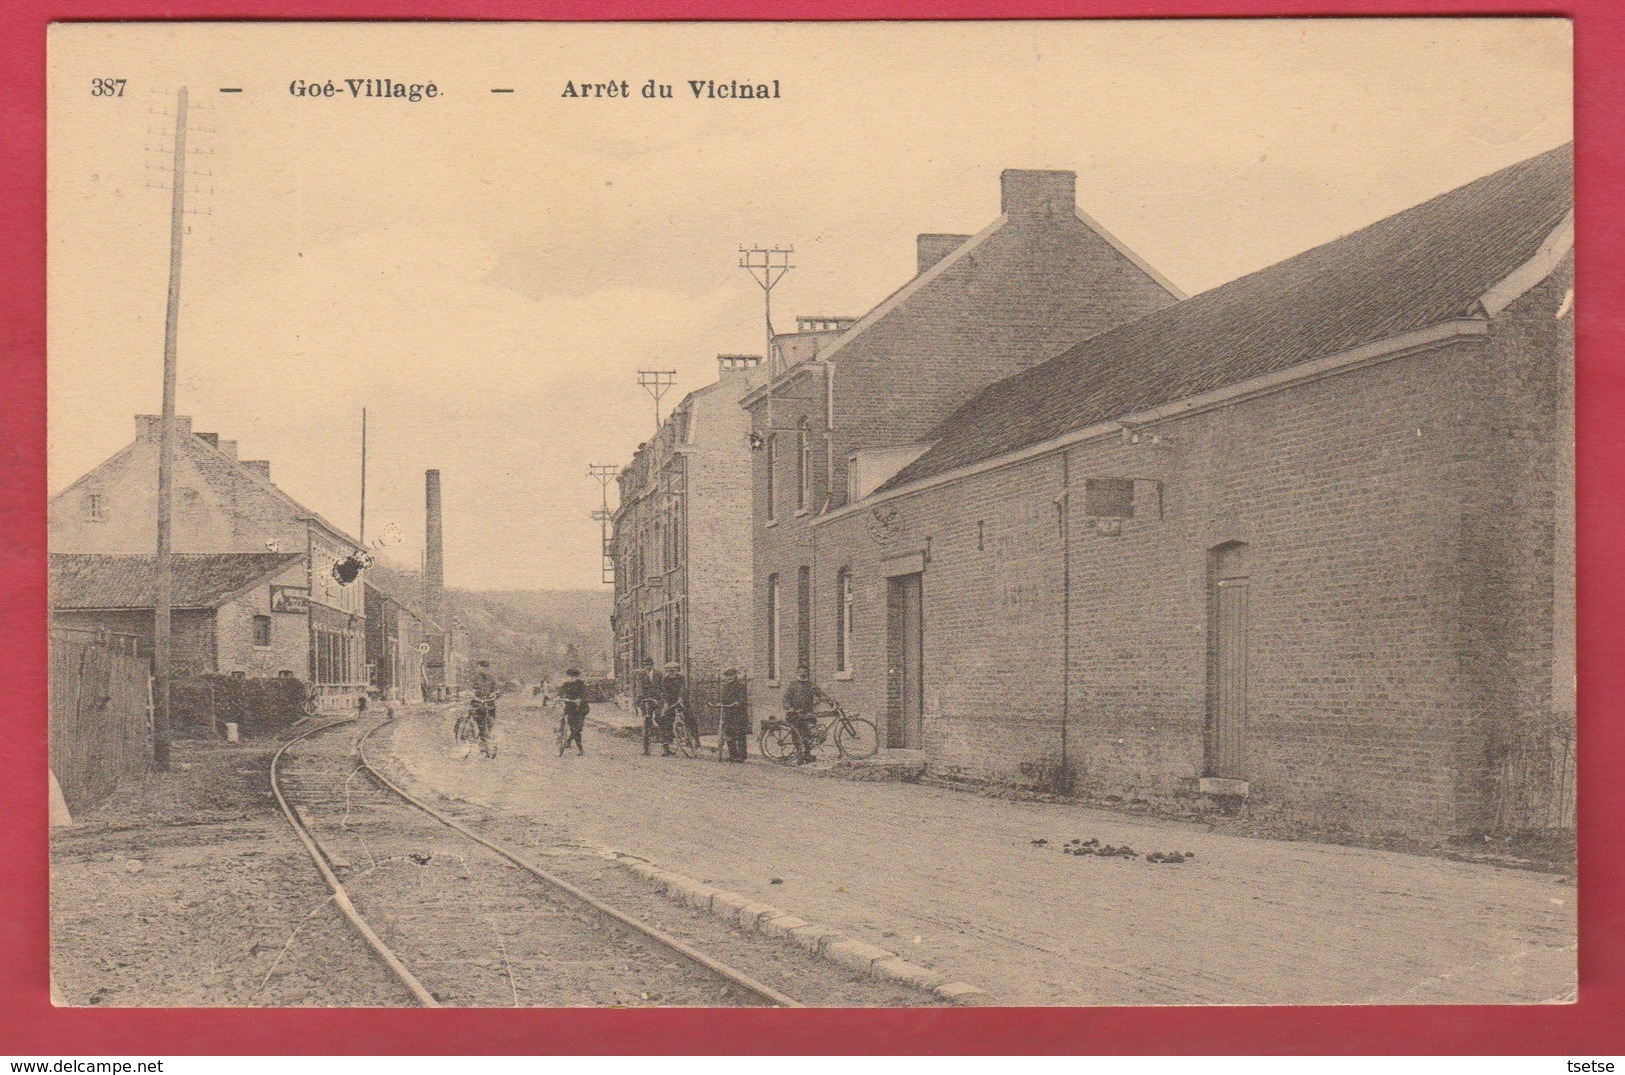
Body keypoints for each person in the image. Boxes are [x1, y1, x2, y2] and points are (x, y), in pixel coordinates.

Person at [782, 665, 826, 763]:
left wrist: (830, 701)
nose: (803, 673)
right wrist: (789, 708)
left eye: (804, 671)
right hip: (795, 714)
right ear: (797, 673)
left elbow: (821, 694)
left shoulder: (811, 685)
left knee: (809, 734)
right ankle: (799, 755)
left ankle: (807, 754)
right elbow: (785, 698)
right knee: (797, 735)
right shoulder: (792, 685)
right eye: (800, 671)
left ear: (807, 673)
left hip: (808, 714)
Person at [717, 667, 750, 762]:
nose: (730, 678)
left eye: (731, 675)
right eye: (728, 676)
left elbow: (743, 699)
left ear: (735, 676)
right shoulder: (725, 687)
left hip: (739, 714)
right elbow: (722, 698)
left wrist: (737, 703)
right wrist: (720, 702)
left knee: (740, 734)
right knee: (728, 734)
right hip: (728, 713)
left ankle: (742, 756)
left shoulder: (741, 686)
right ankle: (733, 754)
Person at [469, 660, 500, 758]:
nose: (484, 669)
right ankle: (485, 745)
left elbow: (497, 690)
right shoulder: (474, 678)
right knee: (481, 725)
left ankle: (485, 744)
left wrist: (495, 693)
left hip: (490, 705)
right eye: (482, 667)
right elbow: (470, 689)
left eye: (486, 668)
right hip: (477, 704)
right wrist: (472, 695)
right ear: (479, 667)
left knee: (490, 725)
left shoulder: (491, 679)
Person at [657, 661, 686, 756]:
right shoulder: (665, 679)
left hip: (681, 699)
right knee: (665, 721)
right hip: (669, 701)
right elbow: (664, 691)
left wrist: (680, 698)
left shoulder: (681, 678)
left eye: (673, 671)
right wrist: (665, 703)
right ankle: (666, 747)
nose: (671, 673)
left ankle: (694, 739)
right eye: (669, 671)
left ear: (677, 670)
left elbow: (682, 688)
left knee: (689, 716)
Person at [557, 668, 588, 756]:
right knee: (569, 724)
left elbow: (584, 694)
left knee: (577, 729)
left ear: (577, 677)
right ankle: (561, 735)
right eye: (569, 676)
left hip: (580, 708)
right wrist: (558, 697)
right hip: (570, 707)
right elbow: (560, 692)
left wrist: (580, 699)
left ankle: (579, 749)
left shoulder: (580, 684)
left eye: (573, 676)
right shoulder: (565, 684)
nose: (571, 678)